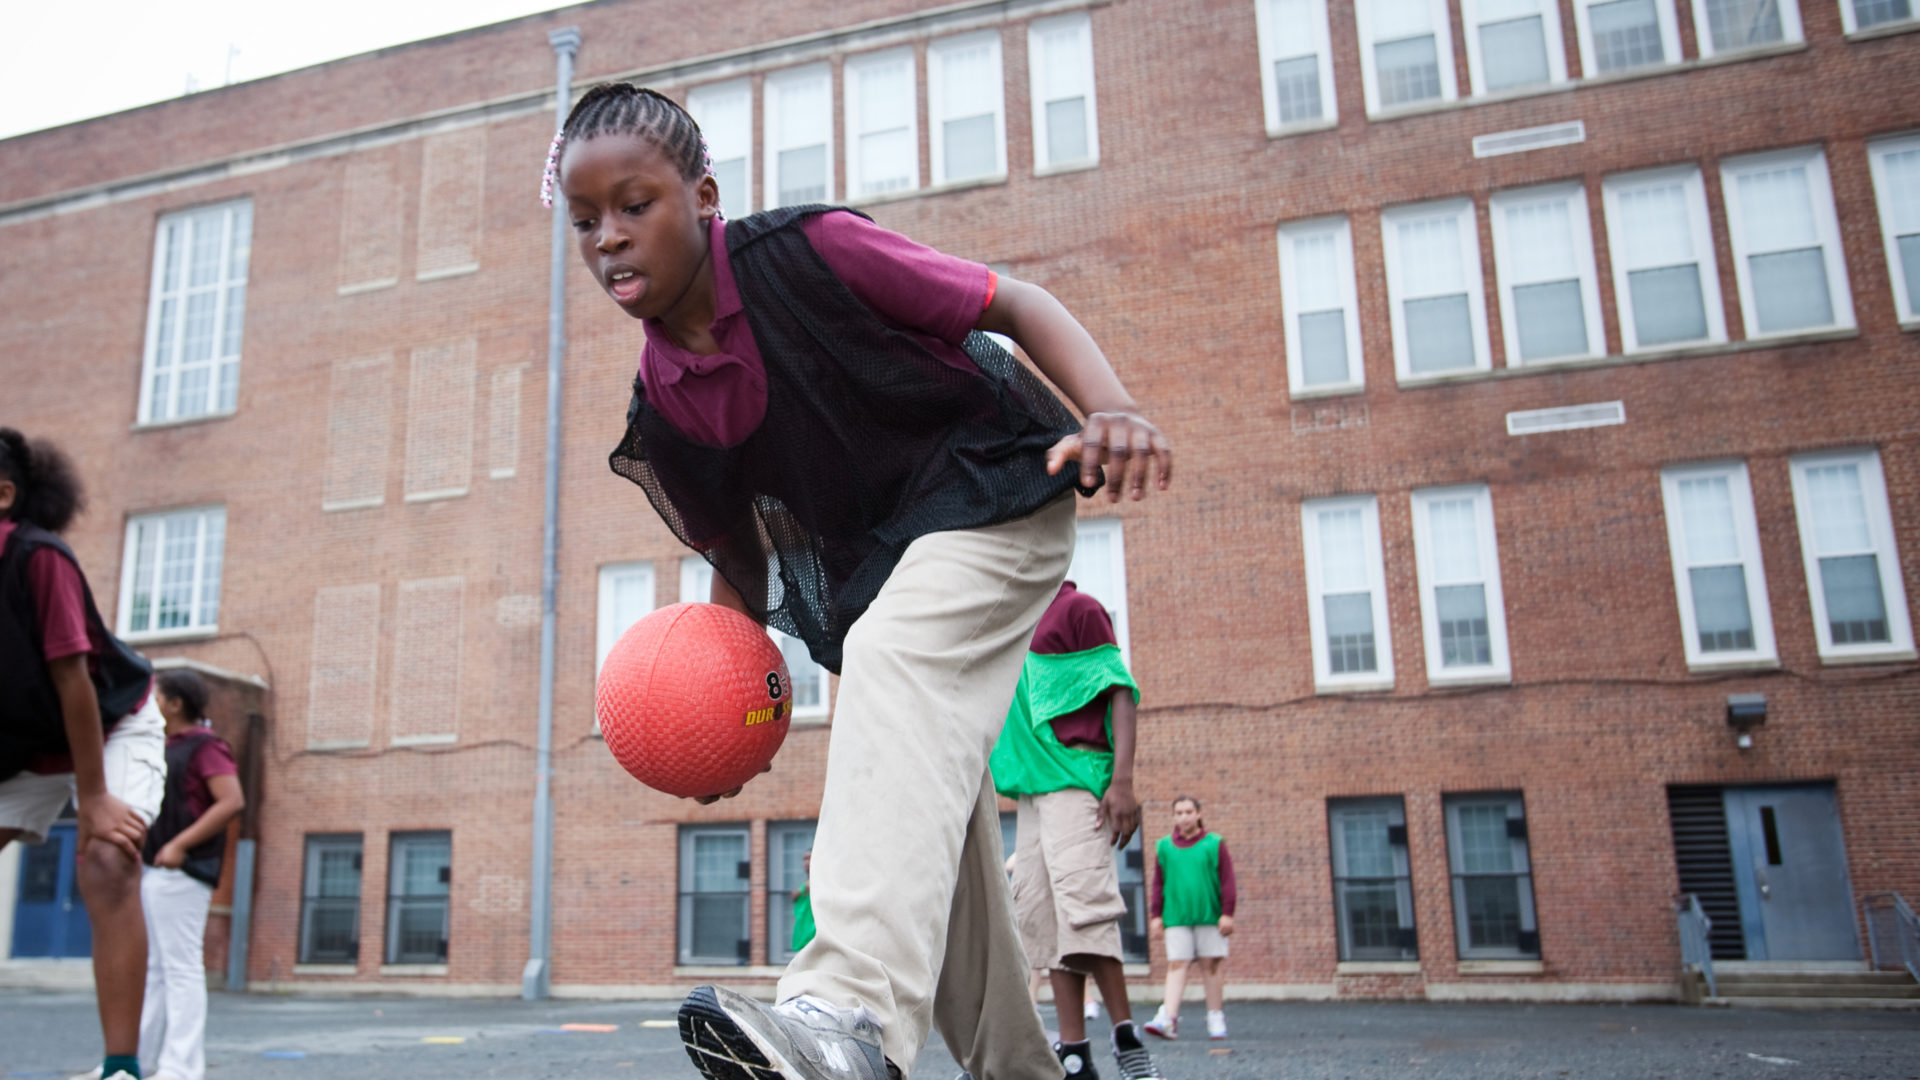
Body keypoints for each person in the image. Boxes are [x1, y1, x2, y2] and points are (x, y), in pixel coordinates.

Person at [547, 84, 1172, 1080]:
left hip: (994, 491)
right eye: (584, 223)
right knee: (937, 832)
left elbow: (1013, 304)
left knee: (888, 663)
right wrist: (726, 718)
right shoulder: (665, 405)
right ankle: (1023, 1068)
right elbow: (740, 567)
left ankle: (842, 1013)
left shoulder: (811, 254)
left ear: (704, 196)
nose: (608, 238)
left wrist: (1112, 407)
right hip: (888, 569)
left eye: (635, 205)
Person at [0, 429, 164, 1080]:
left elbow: (75, 683)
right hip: (30, 746)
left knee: (106, 857)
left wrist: (93, 799)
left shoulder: (39, 559)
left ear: (3, 495)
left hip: (110, 722)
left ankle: (120, 1068)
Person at [991, 582, 1159, 1079]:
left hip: (1076, 778)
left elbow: (1119, 688)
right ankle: (1075, 1053)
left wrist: (1122, 782)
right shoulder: (1010, 620)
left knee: (1086, 912)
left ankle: (1129, 1042)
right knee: (1044, 921)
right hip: (1033, 792)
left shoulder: (1077, 609)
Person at [135, 669, 244, 1080]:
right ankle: (137, 1061)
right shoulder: (163, 747)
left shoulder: (205, 746)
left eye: (157, 697)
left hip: (183, 872)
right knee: (154, 970)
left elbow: (232, 800)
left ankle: (180, 1068)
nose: (151, 705)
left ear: (176, 703)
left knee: (179, 968)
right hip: (155, 870)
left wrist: (179, 844)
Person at [1142, 796, 1237, 1041]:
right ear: (1174, 817)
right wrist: (1155, 916)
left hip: (1209, 916)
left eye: (1188, 811)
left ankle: (1215, 1016)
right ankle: (1168, 1019)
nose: (1184, 817)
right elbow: (1157, 883)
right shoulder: (1164, 847)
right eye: (1179, 812)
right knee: (1176, 964)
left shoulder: (1214, 844)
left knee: (1211, 966)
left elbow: (1227, 880)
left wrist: (1227, 913)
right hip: (1176, 917)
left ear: (1198, 814)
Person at [790, 851, 815, 954]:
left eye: (809, 858)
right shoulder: (805, 883)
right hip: (803, 930)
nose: (806, 862)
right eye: (804, 859)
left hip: (813, 931)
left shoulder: (820, 881)